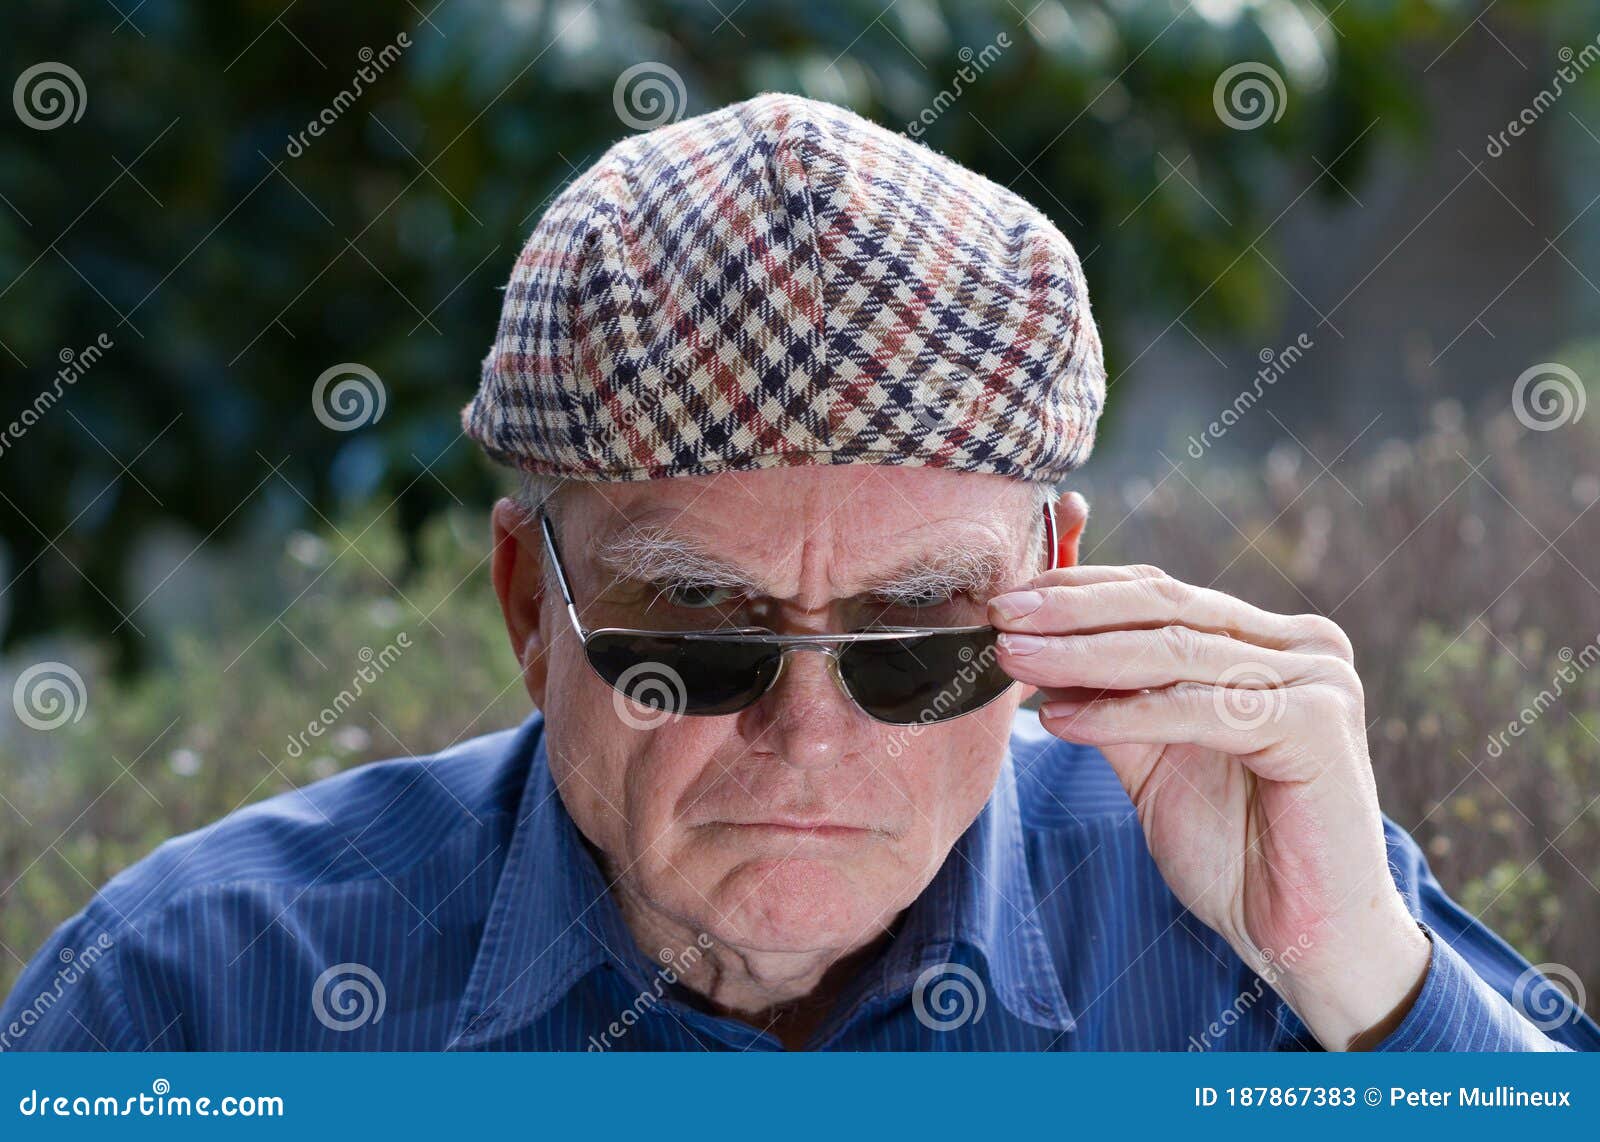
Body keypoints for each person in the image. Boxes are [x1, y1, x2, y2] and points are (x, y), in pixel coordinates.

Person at [3, 93, 1594, 1052]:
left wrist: (1375, 991)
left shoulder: (1261, 918)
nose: (814, 738)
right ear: (528, 609)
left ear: (1051, 585)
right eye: (698, 631)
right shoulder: (203, 996)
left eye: (918, 636)